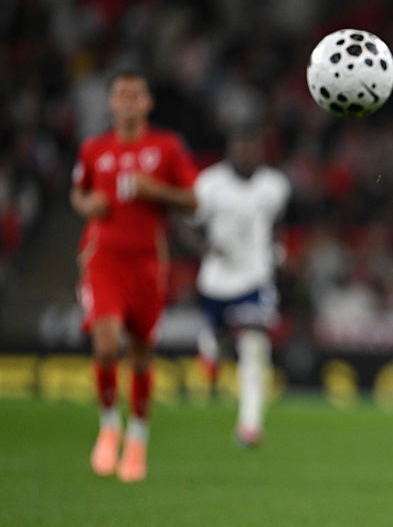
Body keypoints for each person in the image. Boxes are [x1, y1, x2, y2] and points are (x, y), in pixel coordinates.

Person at [71, 67, 199, 482]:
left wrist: (153, 191)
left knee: (142, 355)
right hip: (103, 260)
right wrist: (87, 206)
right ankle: (109, 427)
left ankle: (138, 439)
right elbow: (80, 191)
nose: (127, 102)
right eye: (120, 95)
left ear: (148, 103)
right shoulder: (94, 149)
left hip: (147, 264)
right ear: (110, 102)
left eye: (135, 95)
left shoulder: (167, 147)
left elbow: (194, 200)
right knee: (106, 347)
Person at [191, 125, 290, 446]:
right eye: (241, 145)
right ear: (230, 147)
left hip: (255, 277)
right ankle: (211, 346)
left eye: (253, 146)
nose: (247, 152)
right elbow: (185, 224)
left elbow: (276, 223)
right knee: (217, 342)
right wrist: (205, 249)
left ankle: (250, 425)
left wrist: (276, 251)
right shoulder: (209, 184)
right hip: (217, 279)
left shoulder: (274, 186)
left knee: (254, 346)